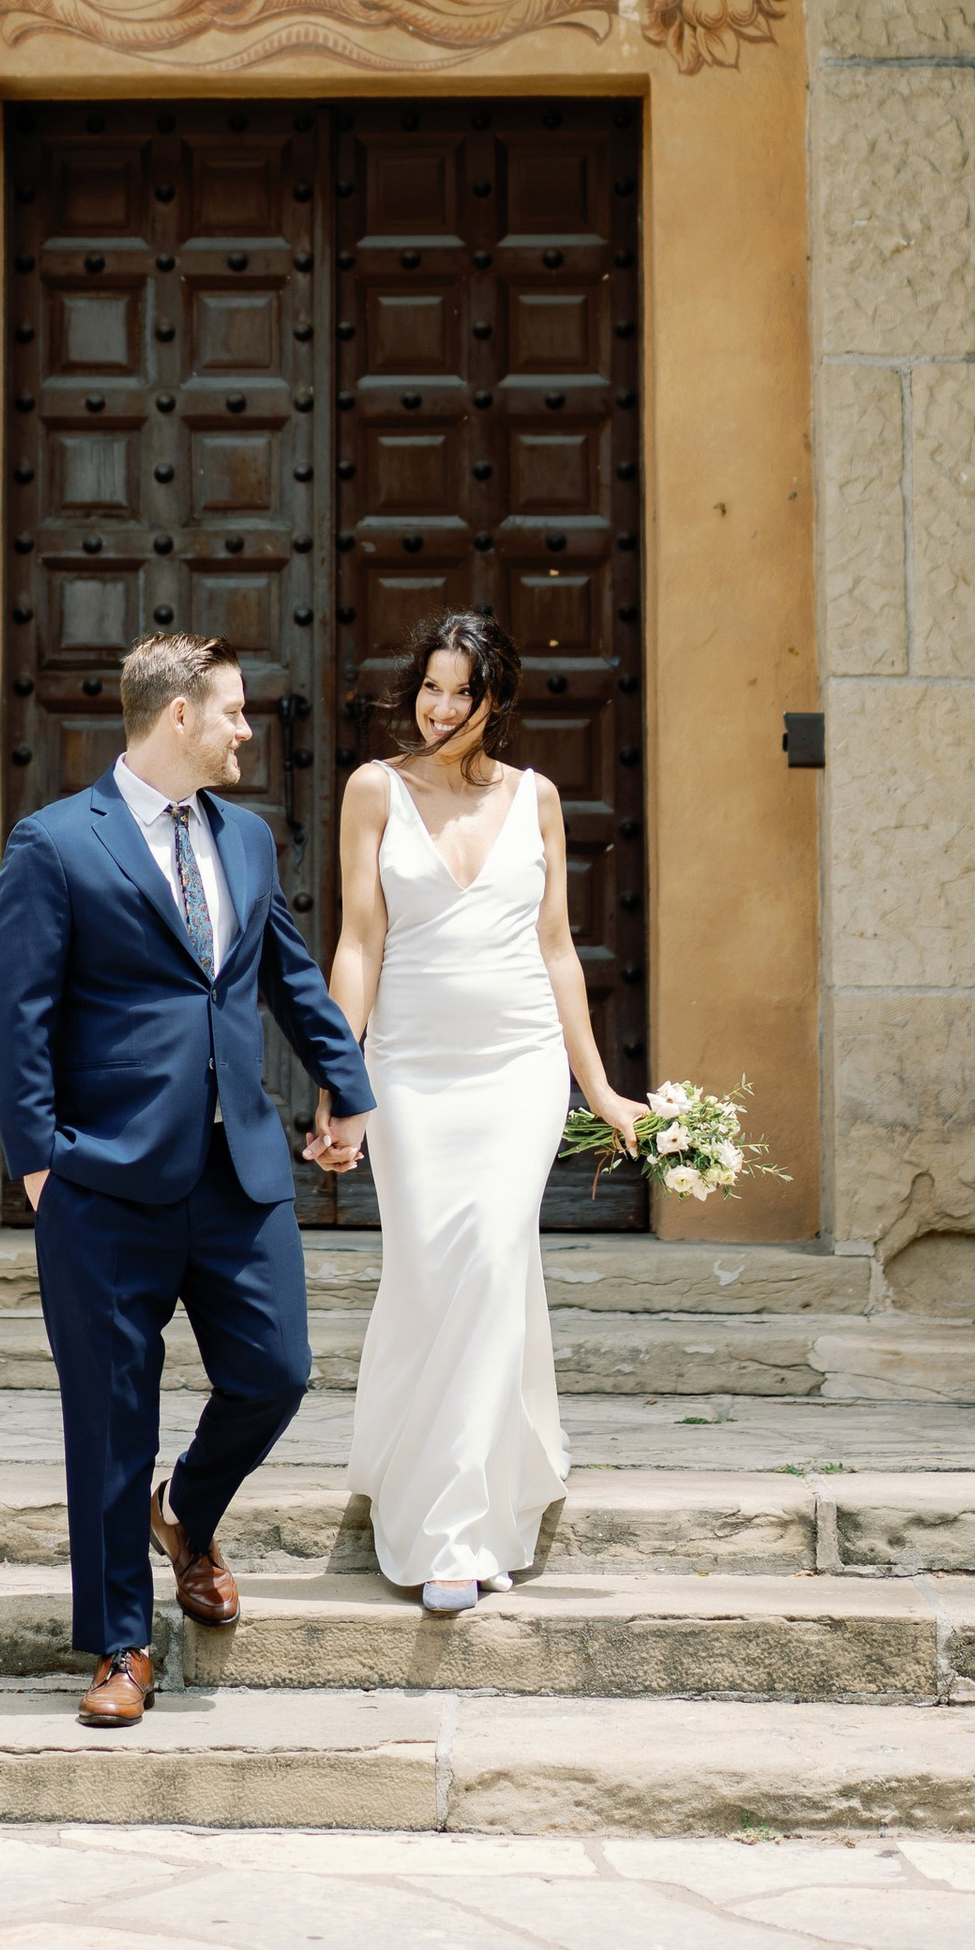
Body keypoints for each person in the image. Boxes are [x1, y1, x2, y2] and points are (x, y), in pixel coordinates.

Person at [0, 629, 377, 1727]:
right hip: (103, 1178)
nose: (248, 729)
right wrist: (39, 1168)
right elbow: (18, 1016)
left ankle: (188, 1514)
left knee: (277, 1372)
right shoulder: (55, 843)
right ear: (178, 716)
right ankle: (121, 1646)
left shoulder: (246, 839)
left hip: (235, 1168)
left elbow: (289, 976)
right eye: (234, 711)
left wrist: (345, 1086)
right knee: (112, 1417)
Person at [333, 611, 642, 1613]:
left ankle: (457, 1533)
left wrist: (598, 1087)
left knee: (492, 1261)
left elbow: (556, 948)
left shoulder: (536, 797)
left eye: (462, 692)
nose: (441, 707)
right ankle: (429, 1479)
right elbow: (359, 944)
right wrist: (342, 1084)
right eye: (430, 687)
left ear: (495, 699)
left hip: (519, 1069)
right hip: (411, 1071)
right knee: (433, 1271)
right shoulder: (374, 790)